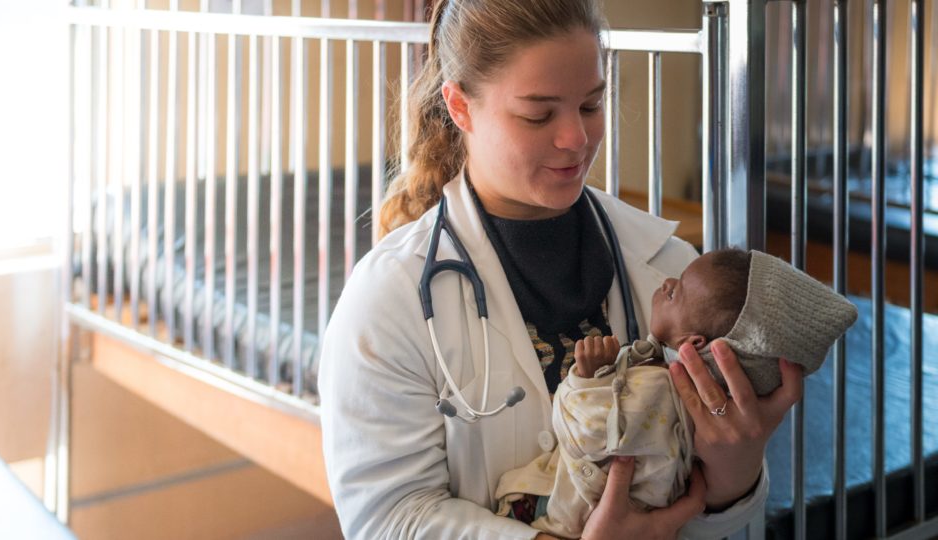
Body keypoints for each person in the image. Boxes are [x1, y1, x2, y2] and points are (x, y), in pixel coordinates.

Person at [318, 1, 804, 538]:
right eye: (538, 114)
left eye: (591, 105)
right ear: (459, 106)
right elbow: (388, 518)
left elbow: (716, 518)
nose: (576, 138)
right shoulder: (389, 298)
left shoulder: (672, 271)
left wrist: (736, 468)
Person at [495, 249, 858, 538]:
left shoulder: (658, 387)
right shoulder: (672, 378)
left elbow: (586, 432)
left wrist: (585, 380)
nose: (667, 280)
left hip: (560, 518)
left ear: (695, 343)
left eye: (676, 289)